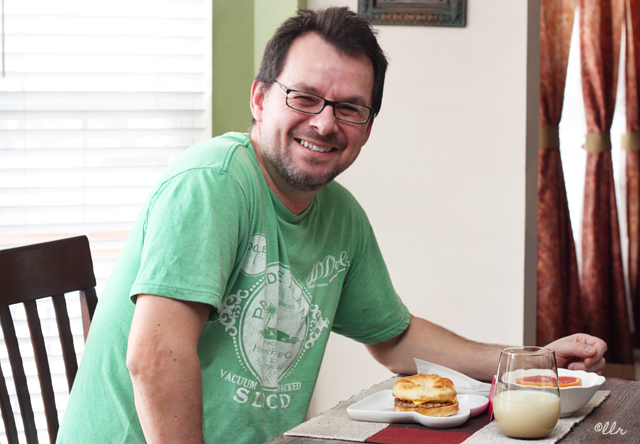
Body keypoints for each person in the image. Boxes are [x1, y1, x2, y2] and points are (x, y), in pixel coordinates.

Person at [57, 7, 607, 444]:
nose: (324, 122)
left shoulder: (339, 214)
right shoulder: (212, 185)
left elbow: (396, 339)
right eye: (305, 97)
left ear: (368, 127)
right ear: (260, 98)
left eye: (350, 108)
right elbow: (156, 356)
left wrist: (534, 361)